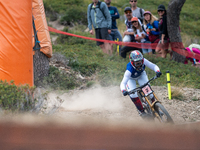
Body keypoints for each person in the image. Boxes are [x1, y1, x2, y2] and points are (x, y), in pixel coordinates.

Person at [120, 50, 162, 118]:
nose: (139, 64)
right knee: (133, 95)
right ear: (132, 62)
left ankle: (156, 108)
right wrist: (123, 90)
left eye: (140, 62)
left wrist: (157, 71)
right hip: (131, 79)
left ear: (142, 60)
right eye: (137, 63)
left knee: (149, 92)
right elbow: (123, 83)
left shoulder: (144, 60)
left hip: (141, 75)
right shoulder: (129, 70)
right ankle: (141, 111)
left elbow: (153, 66)